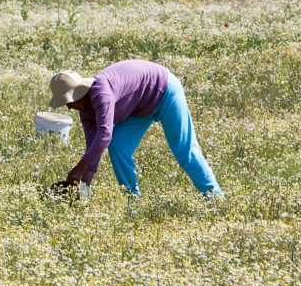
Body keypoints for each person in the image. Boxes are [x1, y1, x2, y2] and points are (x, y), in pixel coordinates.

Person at [48, 60, 223, 198]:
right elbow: (93, 145)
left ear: (79, 93)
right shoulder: (84, 109)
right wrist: (83, 185)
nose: (68, 108)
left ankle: (215, 199)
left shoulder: (101, 95)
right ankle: (133, 199)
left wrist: (79, 168)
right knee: (118, 146)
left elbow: (104, 135)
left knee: (185, 152)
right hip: (139, 106)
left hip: (164, 90)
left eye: (68, 102)